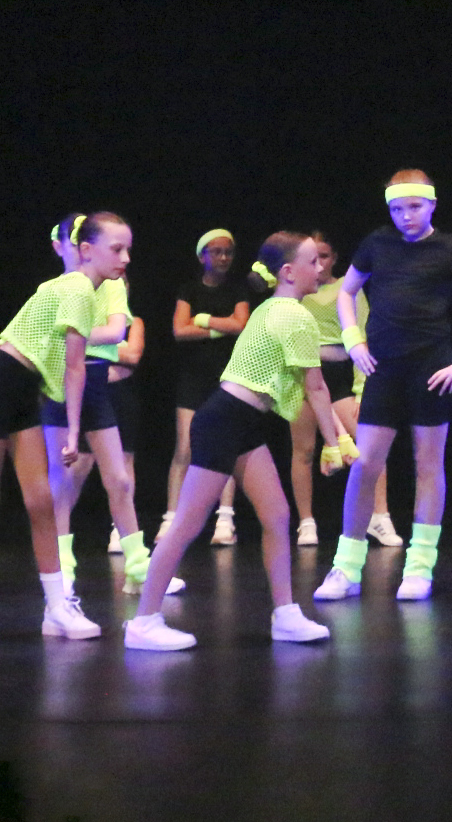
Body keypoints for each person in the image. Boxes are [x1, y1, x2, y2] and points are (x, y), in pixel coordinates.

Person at [124, 233, 345, 650]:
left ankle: (285, 614)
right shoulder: (293, 316)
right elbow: (315, 387)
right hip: (224, 420)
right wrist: (334, 444)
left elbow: (309, 383)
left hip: (242, 421)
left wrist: (339, 437)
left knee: (277, 515)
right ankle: (143, 621)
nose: (321, 268)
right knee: (187, 524)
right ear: (288, 272)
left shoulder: (272, 309)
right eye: (313, 261)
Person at [0, 215, 131, 643]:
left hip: (22, 391)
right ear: (86, 250)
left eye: (128, 249)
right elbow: (74, 366)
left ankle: (56, 608)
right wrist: (73, 433)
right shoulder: (78, 287)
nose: (125, 258)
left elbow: (66, 364)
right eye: (116, 249)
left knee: (41, 501)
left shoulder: (83, 289)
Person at [314, 171, 452, 603]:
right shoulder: (377, 243)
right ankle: (346, 566)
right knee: (365, 464)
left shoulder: (449, 248)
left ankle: (420, 567)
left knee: (428, 465)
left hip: (431, 370)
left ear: (432, 205)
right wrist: (353, 339)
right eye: (398, 209)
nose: (406, 216)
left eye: (415, 207)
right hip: (383, 369)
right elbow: (347, 292)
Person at [40, 215, 165, 602]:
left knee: (120, 479)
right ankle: (62, 569)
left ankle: (138, 567)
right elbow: (40, 339)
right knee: (62, 480)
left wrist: (70, 333)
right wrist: (66, 337)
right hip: (58, 382)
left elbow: (115, 332)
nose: (123, 257)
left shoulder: (110, 285)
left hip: (95, 382)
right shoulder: (53, 289)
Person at [170, 229, 255, 549]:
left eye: (228, 252)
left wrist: (203, 319)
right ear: (202, 256)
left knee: (225, 447)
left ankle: (225, 518)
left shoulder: (238, 289)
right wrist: (222, 326)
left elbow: (242, 324)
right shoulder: (189, 289)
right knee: (185, 448)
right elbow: (180, 330)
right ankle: (172, 518)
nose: (223, 258)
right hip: (193, 377)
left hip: (227, 378)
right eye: (216, 252)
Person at [288, 234, 367, 549]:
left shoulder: (347, 287)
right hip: (303, 374)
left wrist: (362, 389)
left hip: (339, 376)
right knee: (304, 450)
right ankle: (306, 522)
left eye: (324, 256)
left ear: (334, 258)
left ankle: (378, 516)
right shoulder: (296, 292)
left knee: (367, 446)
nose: (318, 264)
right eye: (311, 258)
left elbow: (361, 334)